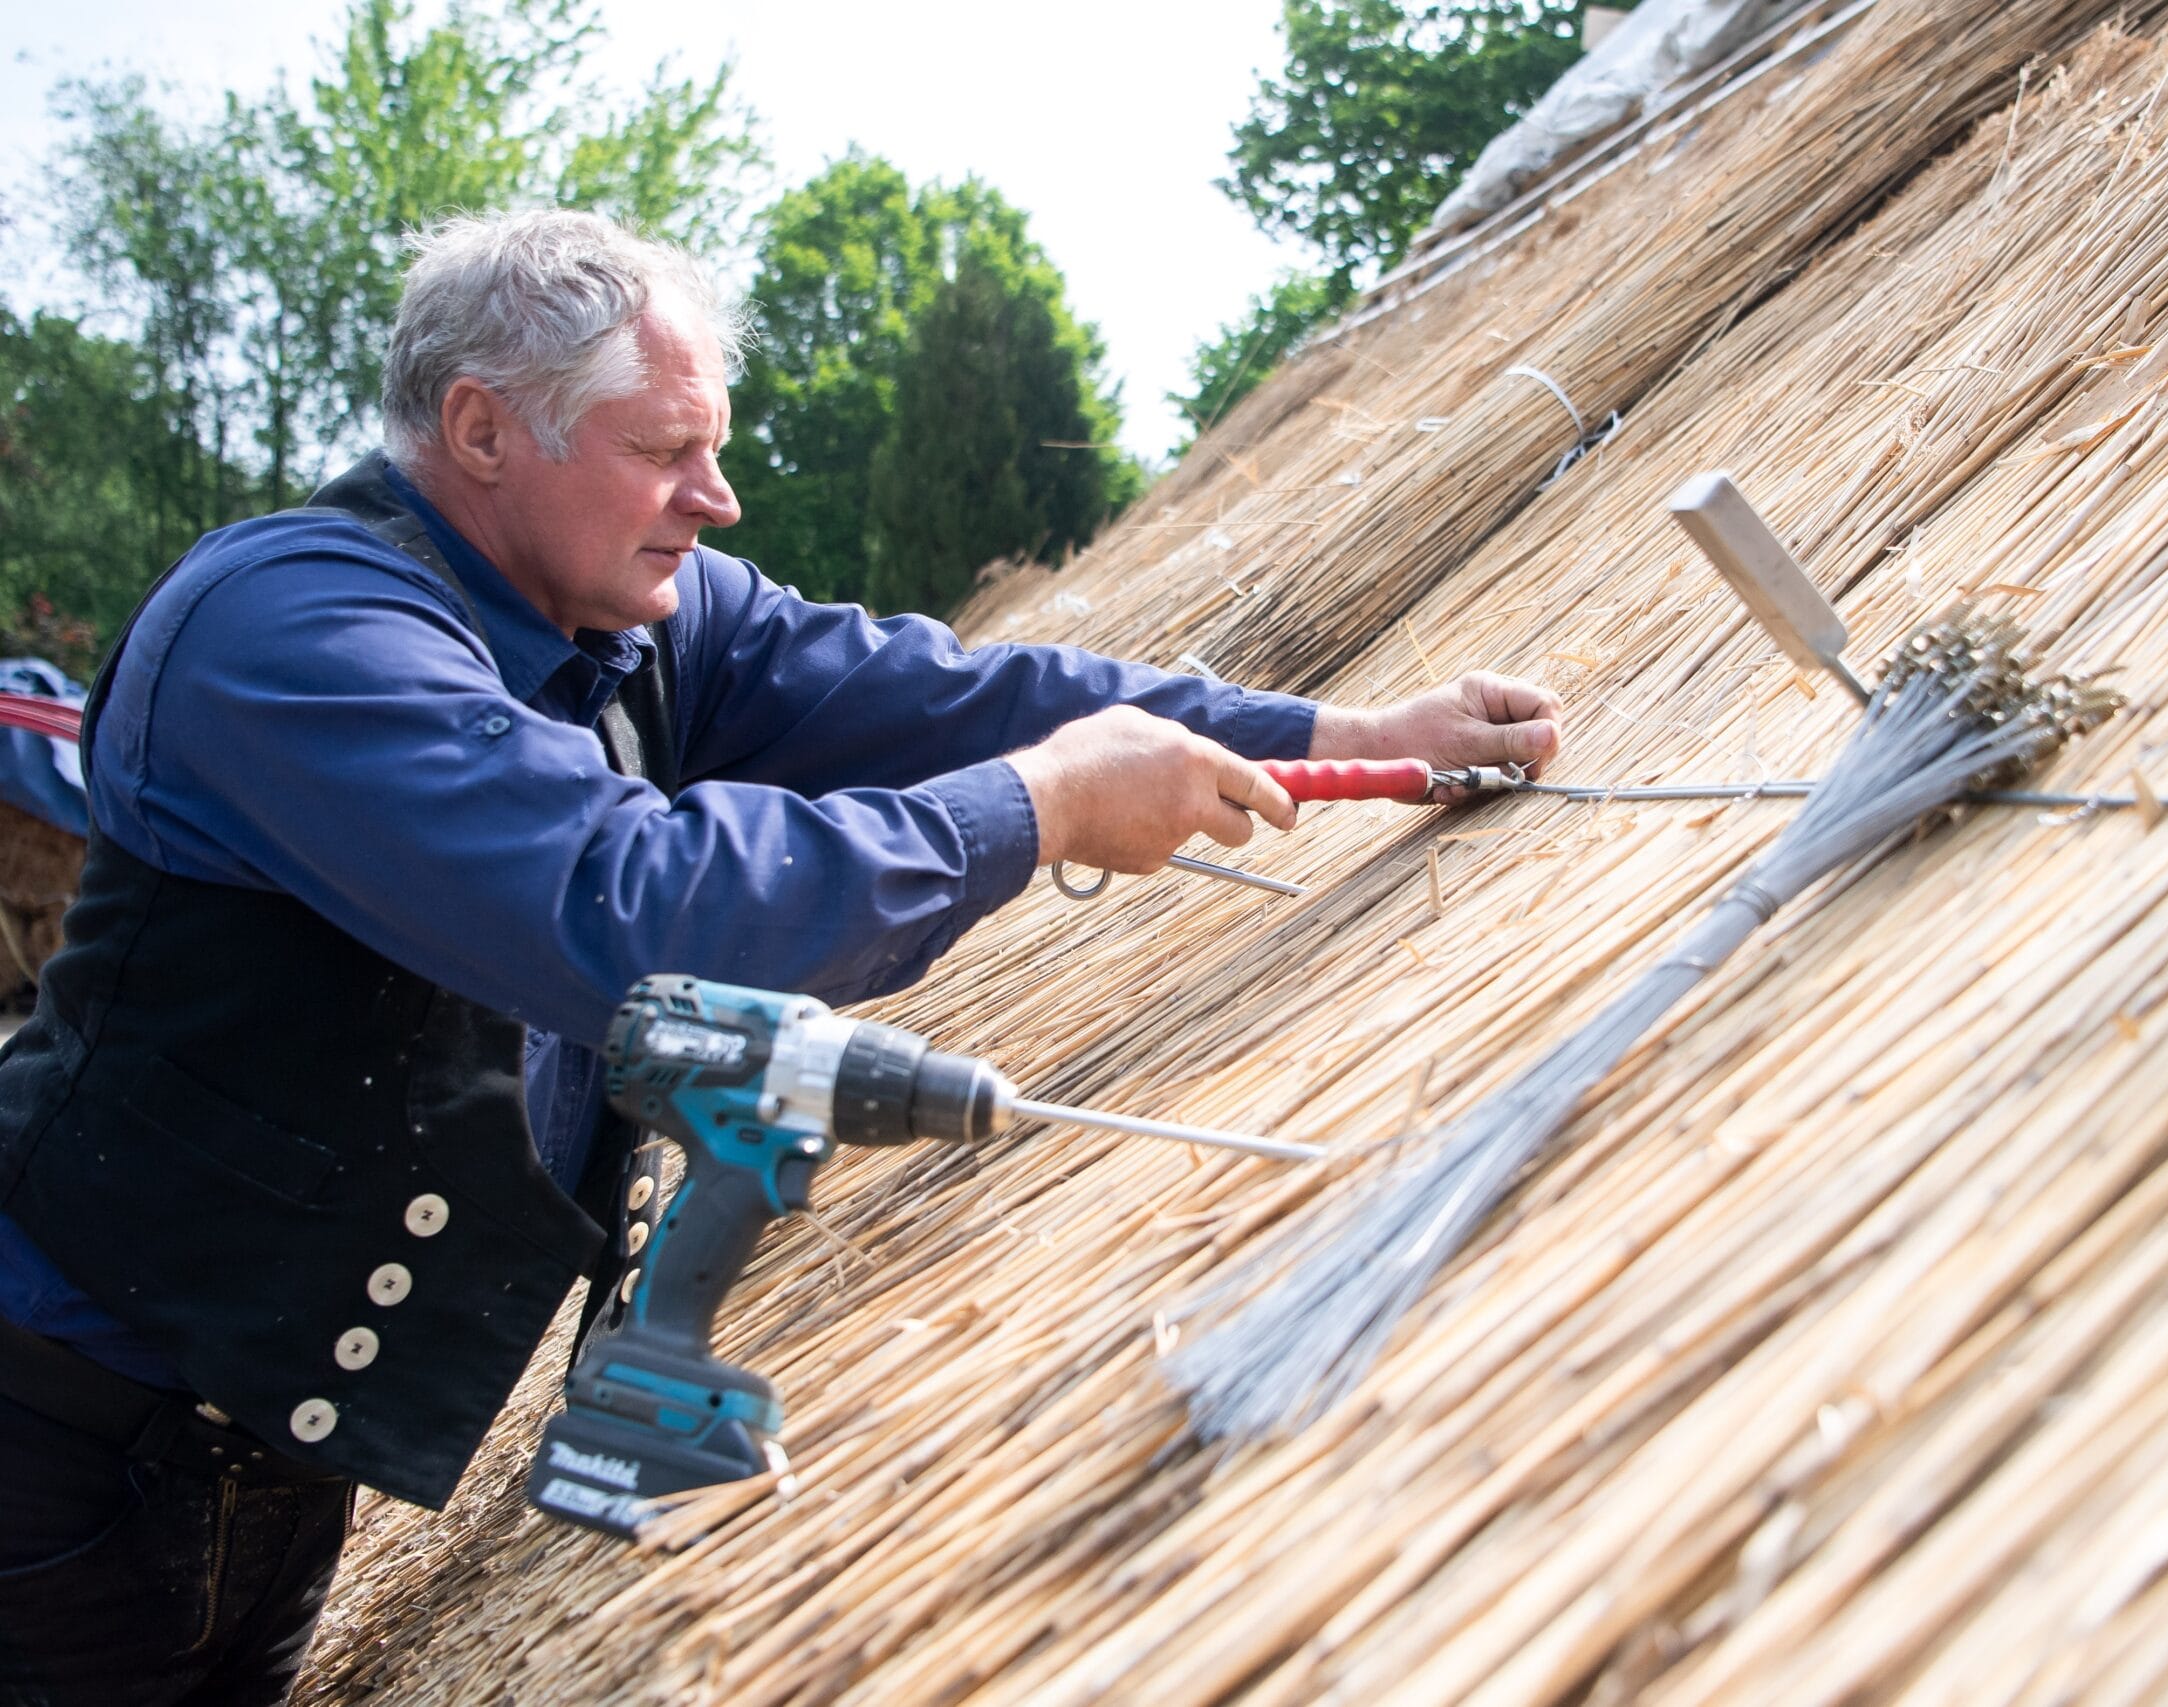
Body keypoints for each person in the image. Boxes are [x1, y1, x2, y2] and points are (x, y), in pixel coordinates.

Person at [0, 210, 1561, 1704]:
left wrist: (1335, 736)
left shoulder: (627, 614)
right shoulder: (291, 630)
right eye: (666, 451)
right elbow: (629, 914)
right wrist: (1041, 812)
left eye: (715, 445)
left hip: (258, 1453)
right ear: (481, 432)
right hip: (58, 1444)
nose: (717, 495)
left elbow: (936, 694)